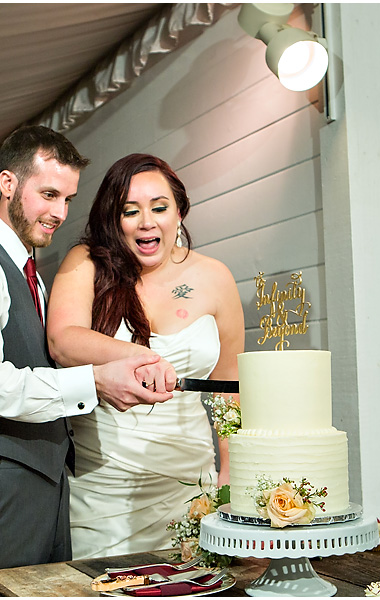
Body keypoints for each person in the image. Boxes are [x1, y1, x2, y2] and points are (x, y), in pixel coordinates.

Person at [0, 127, 172, 596]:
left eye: (68, 198)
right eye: (49, 194)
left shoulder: (32, 278)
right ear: (8, 184)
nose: (59, 212)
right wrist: (92, 382)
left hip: (44, 487)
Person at [46, 153, 245, 558]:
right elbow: (63, 340)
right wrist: (143, 356)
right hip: (104, 489)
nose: (146, 222)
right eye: (130, 211)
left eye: (159, 207)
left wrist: (230, 478)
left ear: (179, 210)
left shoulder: (215, 276)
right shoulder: (87, 263)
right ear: (113, 218)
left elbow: (230, 391)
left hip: (190, 486)